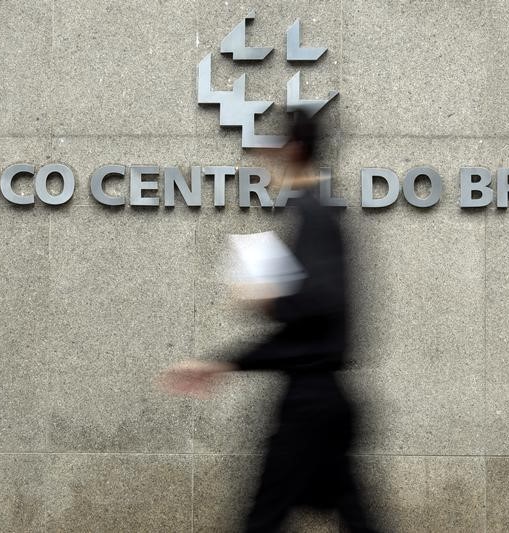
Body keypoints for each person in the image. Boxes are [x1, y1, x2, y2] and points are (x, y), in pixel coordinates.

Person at [161, 112, 379, 533]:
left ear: (293, 150)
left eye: (275, 149)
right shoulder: (317, 213)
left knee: (263, 520)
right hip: (322, 399)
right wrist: (224, 363)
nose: (266, 162)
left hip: (310, 405)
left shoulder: (314, 214)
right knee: (352, 518)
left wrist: (269, 299)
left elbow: (321, 304)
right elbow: (315, 321)